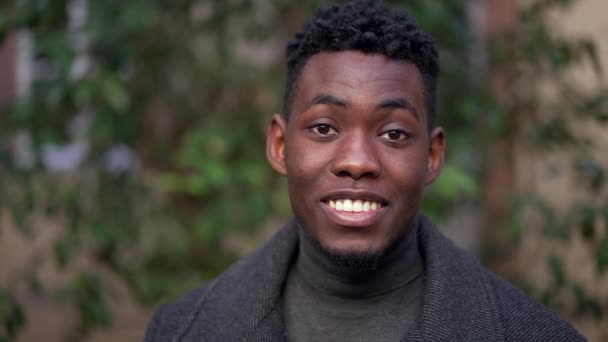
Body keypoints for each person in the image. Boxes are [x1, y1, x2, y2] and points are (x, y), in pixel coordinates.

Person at [144, 1, 585, 341]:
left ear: (432, 156)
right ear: (280, 146)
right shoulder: (182, 329)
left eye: (393, 134)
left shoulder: (533, 334)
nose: (357, 161)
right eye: (323, 128)